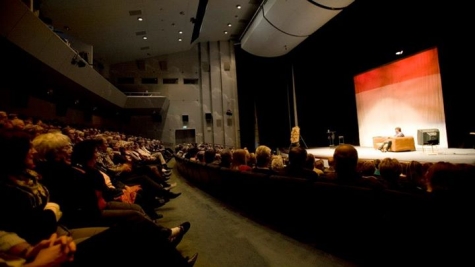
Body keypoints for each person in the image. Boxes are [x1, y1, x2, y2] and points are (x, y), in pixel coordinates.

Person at [0, 128, 198, 266]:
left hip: (62, 228)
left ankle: (164, 237)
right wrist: (52, 209)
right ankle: (164, 238)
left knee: (137, 211)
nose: (33, 152)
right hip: (62, 231)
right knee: (133, 226)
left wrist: (51, 210)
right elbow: (44, 217)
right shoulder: (35, 178)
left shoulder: (33, 176)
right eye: (28, 148)